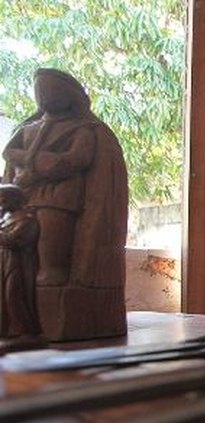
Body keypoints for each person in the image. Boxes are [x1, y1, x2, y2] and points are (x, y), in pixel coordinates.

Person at [2, 67, 127, 292]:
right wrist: (27, 159)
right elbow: (9, 152)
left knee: (51, 238)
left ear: (69, 96)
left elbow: (78, 159)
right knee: (23, 240)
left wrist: (42, 162)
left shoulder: (83, 129)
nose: (45, 96)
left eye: (51, 90)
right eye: (41, 90)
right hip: (27, 193)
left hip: (59, 196)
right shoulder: (28, 128)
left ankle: (52, 275)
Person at [0, 184, 46, 351]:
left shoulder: (27, 220)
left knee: (14, 294)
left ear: (15, 200)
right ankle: (8, 330)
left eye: (4, 199)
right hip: (4, 261)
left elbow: (14, 240)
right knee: (3, 298)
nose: (1, 203)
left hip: (18, 264)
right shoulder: (5, 218)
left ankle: (26, 331)